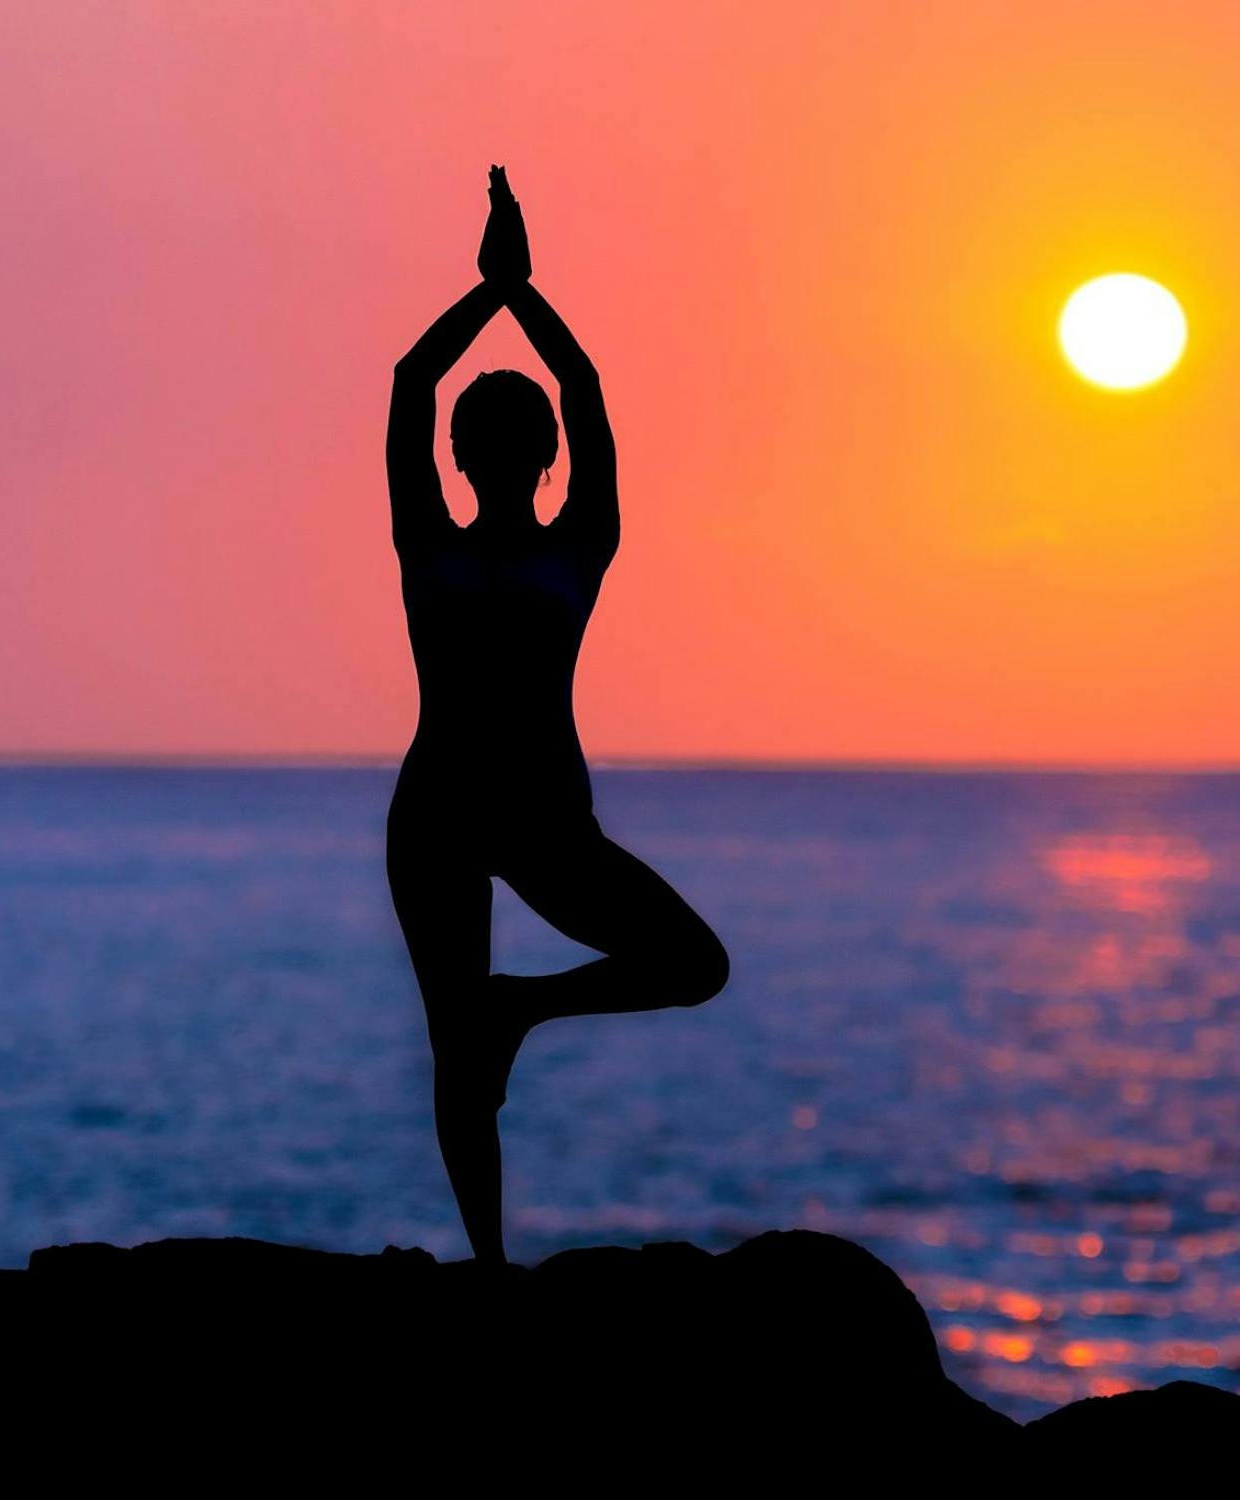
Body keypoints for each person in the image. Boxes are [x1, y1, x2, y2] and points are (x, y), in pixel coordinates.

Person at [384, 166, 728, 1263]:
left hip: (504, 814)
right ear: (542, 457)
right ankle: (489, 1261)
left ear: (476, 455)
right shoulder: (567, 546)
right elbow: (574, 388)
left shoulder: (447, 545)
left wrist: (493, 291)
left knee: (480, 1034)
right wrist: (519, 290)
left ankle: (516, 1025)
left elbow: (413, 380)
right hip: (468, 813)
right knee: (672, 970)